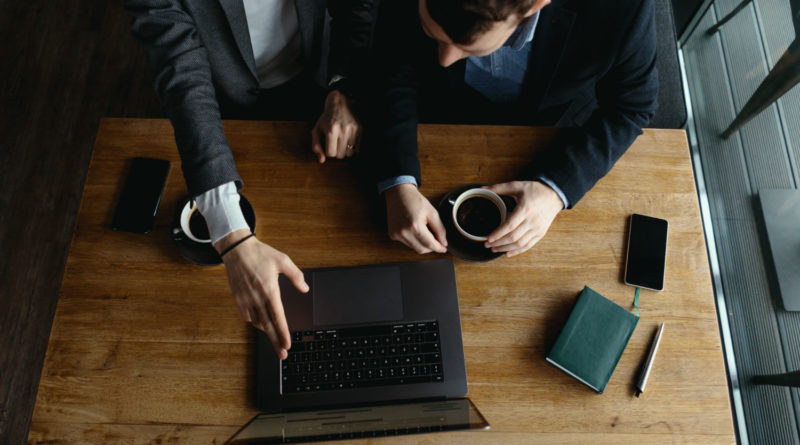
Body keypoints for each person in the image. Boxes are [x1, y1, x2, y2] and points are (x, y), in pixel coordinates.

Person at [125, 0, 376, 359]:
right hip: (222, 102)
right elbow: (182, 73)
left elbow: (358, 7)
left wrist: (344, 87)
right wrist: (232, 239)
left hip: (320, 75)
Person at [365, 0, 658, 257]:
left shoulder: (623, 6)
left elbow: (632, 107)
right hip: (432, 114)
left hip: (543, 128)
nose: (444, 59)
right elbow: (394, 63)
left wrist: (556, 191)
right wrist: (397, 180)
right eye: (432, 33)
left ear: (535, 6)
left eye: (468, 48)